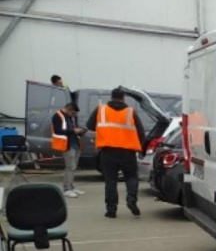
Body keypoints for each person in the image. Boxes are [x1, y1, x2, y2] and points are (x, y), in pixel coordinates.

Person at [86, 88, 145, 218]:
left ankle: (111, 210)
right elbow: (141, 132)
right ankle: (131, 200)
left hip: (108, 151)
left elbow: (89, 125)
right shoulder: (130, 112)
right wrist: (141, 148)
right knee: (131, 177)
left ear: (111, 97)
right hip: (128, 152)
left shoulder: (101, 110)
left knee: (110, 181)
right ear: (123, 98)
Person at [51, 103, 87, 198]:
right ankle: (67, 189)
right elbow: (58, 130)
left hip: (75, 144)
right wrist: (73, 131)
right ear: (69, 109)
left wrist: (80, 131)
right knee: (70, 167)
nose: (74, 115)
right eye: (73, 113)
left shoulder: (70, 117)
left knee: (74, 167)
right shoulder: (57, 116)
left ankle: (71, 187)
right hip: (67, 145)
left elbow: (72, 128)